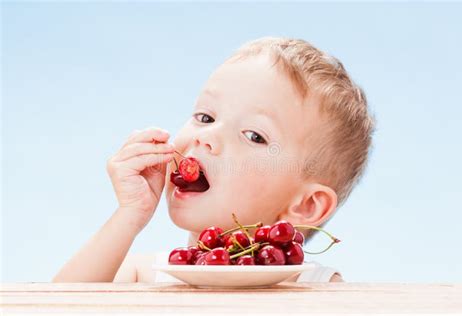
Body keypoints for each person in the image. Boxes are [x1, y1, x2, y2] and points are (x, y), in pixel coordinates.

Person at [53, 37, 375, 283]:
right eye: (205, 117)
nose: (205, 136)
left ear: (305, 206)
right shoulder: (147, 275)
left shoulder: (316, 289)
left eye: (253, 136)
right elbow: (52, 309)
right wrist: (128, 217)